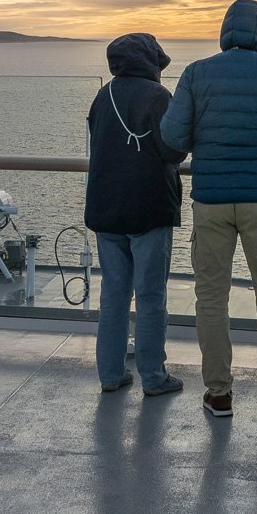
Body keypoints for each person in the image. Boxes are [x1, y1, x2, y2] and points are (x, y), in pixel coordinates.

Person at [160, 0, 257, 421]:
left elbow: (172, 137)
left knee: (211, 297)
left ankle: (218, 394)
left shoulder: (196, 73)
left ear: (225, 31)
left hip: (210, 202)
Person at [85, 33, 186, 397]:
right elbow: (173, 151)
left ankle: (110, 374)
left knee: (113, 295)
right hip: (148, 208)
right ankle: (154, 376)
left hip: (106, 207)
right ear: (151, 61)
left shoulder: (103, 95)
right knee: (150, 296)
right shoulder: (158, 96)